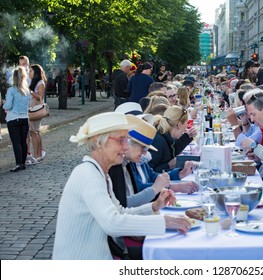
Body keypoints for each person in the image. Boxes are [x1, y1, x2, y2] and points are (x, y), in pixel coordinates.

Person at [52, 112, 191, 260]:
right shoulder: (88, 174)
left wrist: (154, 207)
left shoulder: (100, 173)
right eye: (121, 140)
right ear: (99, 141)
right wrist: (166, 222)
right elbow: (113, 222)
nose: (126, 147)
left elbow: (120, 212)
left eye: (127, 140)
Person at [149, 105, 196, 172]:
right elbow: (149, 172)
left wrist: (187, 137)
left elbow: (170, 151)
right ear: (179, 125)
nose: (184, 131)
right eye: (185, 128)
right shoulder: (158, 140)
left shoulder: (166, 135)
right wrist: (169, 165)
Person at [3, 67, 31, 172]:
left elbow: (8, 105)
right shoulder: (27, 90)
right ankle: (23, 163)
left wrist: (4, 105)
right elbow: (28, 105)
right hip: (24, 118)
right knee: (23, 142)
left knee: (16, 142)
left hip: (13, 118)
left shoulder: (11, 90)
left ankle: (18, 163)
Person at [28, 64, 47, 162]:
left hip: (36, 109)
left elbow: (40, 97)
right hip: (33, 109)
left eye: (31, 71)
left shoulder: (40, 83)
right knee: (36, 132)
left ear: (36, 72)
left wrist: (30, 91)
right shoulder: (33, 82)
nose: (29, 72)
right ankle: (39, 154)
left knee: (34, 132)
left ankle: (36, 155)